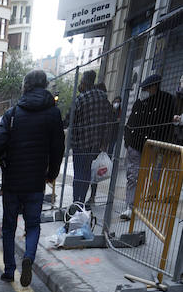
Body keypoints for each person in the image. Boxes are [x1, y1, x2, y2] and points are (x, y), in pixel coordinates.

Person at [0, 68, 65, 287]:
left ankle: (9, 270)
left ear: (25, 87)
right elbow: (58, 148)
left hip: (12, 181)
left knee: (8, 226)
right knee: (33, 225)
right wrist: (51, 174)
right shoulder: (53, 114)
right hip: (36, 181)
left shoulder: (13, 113)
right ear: (45, 86)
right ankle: (28, 258)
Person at [121, 72, 177, 218]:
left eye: (146, 88)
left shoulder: (166, 100)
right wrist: (128, 142)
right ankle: (130, 206)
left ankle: (144, 199)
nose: (144, 92)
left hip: (155, 146)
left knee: (151, 174)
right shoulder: (139, 103)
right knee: (134, 175)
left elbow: (168, 123)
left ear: (154, 87)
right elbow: (131, 122)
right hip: (136, 145)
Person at [68, 71, 114, 208]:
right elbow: (108, 121)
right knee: (87, 172)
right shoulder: (103, 98)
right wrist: (104, 142)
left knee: (79, 173)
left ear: (84, 82)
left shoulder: (81, 99)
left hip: (80, 142)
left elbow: (72, 120)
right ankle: (82, 200)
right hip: (95, 143)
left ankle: (77, 201)